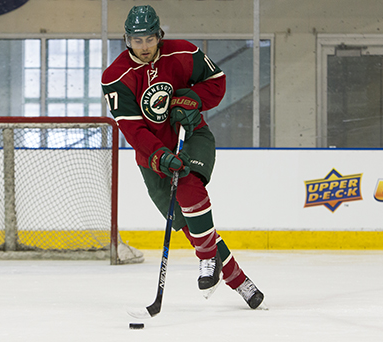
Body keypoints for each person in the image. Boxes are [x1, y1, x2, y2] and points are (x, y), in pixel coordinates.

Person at [101, 5, 264, 309]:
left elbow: (217, 82)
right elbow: (133, 129)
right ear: (126, 39)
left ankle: (205, 260)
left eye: (150, 39)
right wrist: (159, 155)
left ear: (159, 35)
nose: (145, 46)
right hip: (152, 159)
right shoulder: (116, 77)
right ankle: (240, 281)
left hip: (191, 137)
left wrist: (193, 99)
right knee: (193, 227)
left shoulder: (183, 53)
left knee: (189, 185)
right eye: (137, 41)